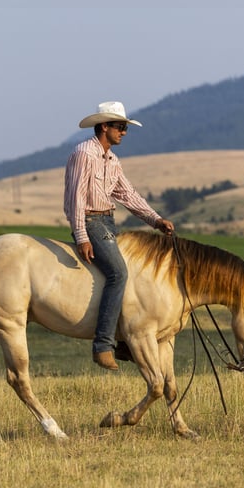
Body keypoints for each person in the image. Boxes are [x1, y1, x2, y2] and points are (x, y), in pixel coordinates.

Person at [64, 101, 175, 371]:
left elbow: (127, 194)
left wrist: (155, 219)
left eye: (125, 127)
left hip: (108, 221)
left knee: (131, 273)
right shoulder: (84, 154)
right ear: (104, 127)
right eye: (120, 127)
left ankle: (123, 337)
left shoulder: (112, 160)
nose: (124, 132)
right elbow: (76, 197)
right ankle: (103, 345)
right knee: (118, 274)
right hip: (90, 221)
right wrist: (81, 235)